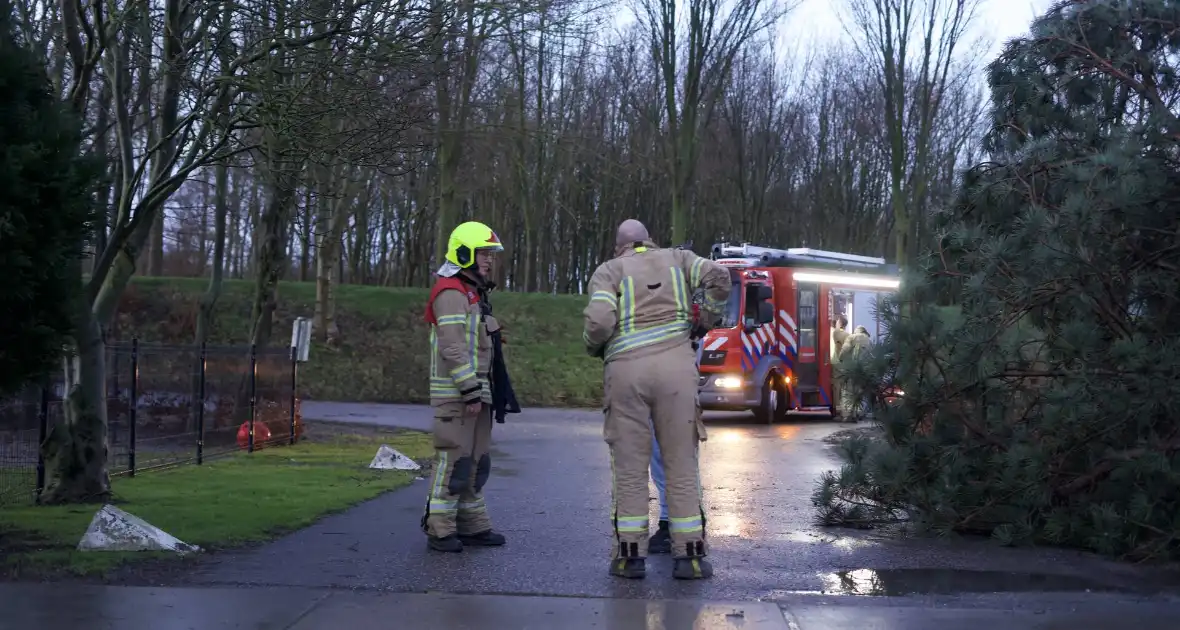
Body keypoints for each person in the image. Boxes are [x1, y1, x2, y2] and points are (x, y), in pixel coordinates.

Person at [583, 219, 731, 580]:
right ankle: (691, 558)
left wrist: (593, 346)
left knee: (630, 467)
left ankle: (629, 558)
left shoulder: (609, 271)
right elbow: (721, 278)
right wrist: (705, 319)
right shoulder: (680, 260)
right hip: (677, 373)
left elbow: (600, 322)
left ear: (619, 245)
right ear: (650, 240)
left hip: (627, 376)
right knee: (681, 463)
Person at [420, 221, 517, 553]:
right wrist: (469, 390)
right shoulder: (450, 292)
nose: (488, 260)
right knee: (454, 461)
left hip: (476, 393)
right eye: (483, 253)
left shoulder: (473, 293)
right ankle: (440, 529)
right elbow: (452, 346)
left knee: (476, 461)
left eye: (490, 254)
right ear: (463, 253)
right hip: (457, 396)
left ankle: (472, 525)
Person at [837, 325, 872, 421]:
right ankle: (858, 413)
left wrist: (840, 358)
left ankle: (848, 415)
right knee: (859, 392)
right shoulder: (868, 340)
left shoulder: (852, 337)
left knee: (848, 392)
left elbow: (845, 350)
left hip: (853, 369)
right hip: (863, 370)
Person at [829, 316, 849, 419]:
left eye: (837, 321)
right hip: (845, 365)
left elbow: (833, 330)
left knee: (836, 388)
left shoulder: (836, 333)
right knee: (843, 389)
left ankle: (836, 411)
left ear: (840, 324)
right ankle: (843, 412)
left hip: (836, 364)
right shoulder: (848, 335)